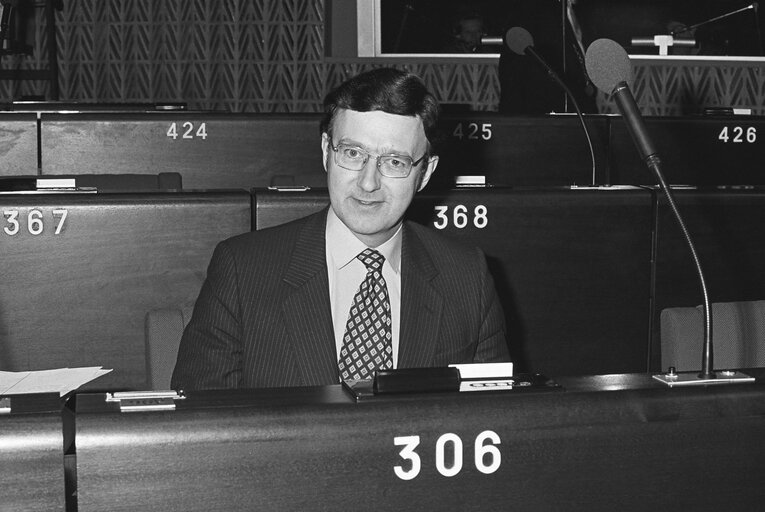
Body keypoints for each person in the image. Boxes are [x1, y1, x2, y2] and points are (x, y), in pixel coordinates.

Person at [171, 67, 510, 390]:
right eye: (352, 153)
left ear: (425, 172)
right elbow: (202, 422)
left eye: (394, 162)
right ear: (326, 152)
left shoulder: (468, 277)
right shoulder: (243, 268)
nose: (368, 182)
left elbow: (493, 420)